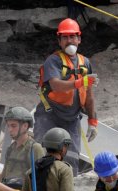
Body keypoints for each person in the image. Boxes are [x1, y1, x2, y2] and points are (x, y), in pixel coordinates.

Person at [35, 18, 99, 174]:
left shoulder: (85, 63)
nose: (69, 40)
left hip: (72, 119)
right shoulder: (54, 60)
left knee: (71, 160)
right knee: (41, 157)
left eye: (72, 36)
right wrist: (79, 82)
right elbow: (56, 85)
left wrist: (92, 121)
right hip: (49, 115)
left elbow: (89, 95)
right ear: (59, 41)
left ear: (79, 39)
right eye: (65, 37)